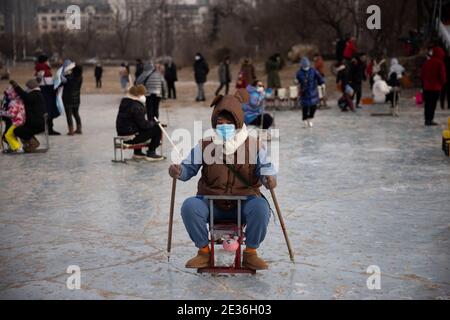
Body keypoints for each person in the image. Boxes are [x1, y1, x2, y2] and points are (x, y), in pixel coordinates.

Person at [168, 89, 277, 271]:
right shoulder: (205, 145)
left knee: (261, 208)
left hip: (245, 203)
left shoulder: (254, 145)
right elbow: (188, 169)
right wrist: (178, 171)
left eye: (229, 122)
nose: (224, 125)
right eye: (220, 122)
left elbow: (266, 169)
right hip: (212, 203)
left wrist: (269, 179)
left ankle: (250, 253)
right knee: (189, 206)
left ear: (238, 122)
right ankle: (203, 251)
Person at [116, 85, 164, 161]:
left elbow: (137, 122)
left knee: (138, 128)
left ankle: (137, 152)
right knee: (157, 129)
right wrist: (154, 123)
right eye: (143, 94)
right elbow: (143, 125)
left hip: (123, 134)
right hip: (130, 137)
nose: (144, 96)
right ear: (139, 95)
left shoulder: (125, 103)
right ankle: (151, 152)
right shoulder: (136, 106)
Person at [9, 79, 46, 153]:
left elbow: (25, 97)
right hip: (39, 123)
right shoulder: (38, 94)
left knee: (17, 131)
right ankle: (32, 142)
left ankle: (33, 143)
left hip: (35, 124)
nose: (26, 89)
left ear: (31, 87)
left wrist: (16, 86)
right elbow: (25, 96)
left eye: (27, 87)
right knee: (21, 129)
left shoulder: (34, 94)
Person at [35, 55, 61, 136]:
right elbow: (51, 84)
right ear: (45, 61)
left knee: (43, 112)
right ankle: (50, 129)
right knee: (49, 112)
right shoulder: (46, 71)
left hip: (40, 93)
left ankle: (42, 128)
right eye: (48, 60)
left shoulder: (38, 70)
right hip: (48, 94)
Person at [421, 46, 447, 126]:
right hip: (435, 87)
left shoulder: (427, 62)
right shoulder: (440, 63)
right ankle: (430, 119)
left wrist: (424, 83)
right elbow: (442, 75)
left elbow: (422, 74)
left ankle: (426, 119)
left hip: (426, 87)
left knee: (427, 104)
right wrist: (443, 83)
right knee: (433, 104)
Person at [296, 57, 324, 128]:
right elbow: (297, 80)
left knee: (313, 106)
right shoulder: (299, 73)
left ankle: (310, 118)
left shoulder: (313, 71)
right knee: (305, 107)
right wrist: (296, 82)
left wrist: (322, 83)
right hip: (304, 92)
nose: (306, 67)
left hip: (313, 91)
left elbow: (319, 77)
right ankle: (305, 120)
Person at [0, 86, 26, 152]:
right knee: (10, 134)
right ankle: (16, 147)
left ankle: (18, 147)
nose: (7, 96)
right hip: (21, 120)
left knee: (8, 135)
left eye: (9, 94)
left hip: (17, 122)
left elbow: (12, 114)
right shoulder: (19, 100)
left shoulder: (13, 103)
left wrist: (2, 113)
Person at [63, 65, 83, 135]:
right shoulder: (80, 77)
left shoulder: (69, 78)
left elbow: (64, 83)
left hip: (68, 98)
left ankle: (71, 130)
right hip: (77, 98)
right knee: (76, 113)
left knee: (69, 115)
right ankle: (79, 129)